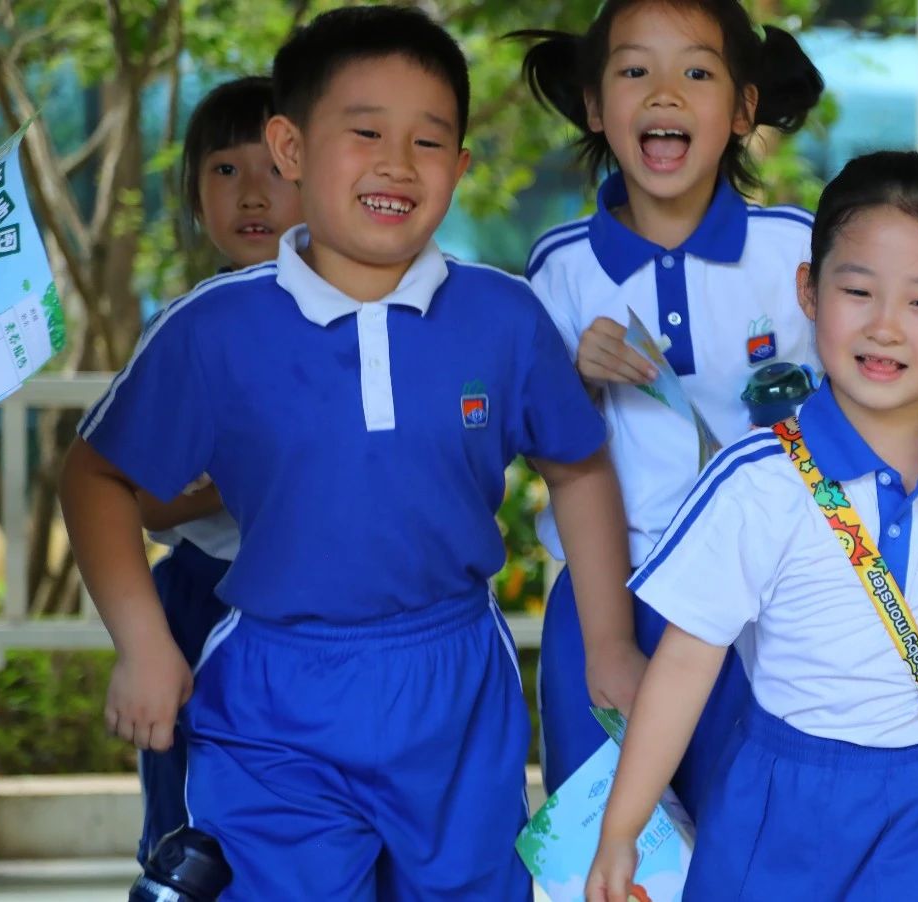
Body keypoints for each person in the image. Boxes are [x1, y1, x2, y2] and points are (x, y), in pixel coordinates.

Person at [59, 6, 634, 898]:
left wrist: (608, 644)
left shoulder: (503, 316)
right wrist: (143, 644)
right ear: (290, 147)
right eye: (365, 132)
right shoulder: (215, 329)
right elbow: (94, 474)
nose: (397, 163)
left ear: (460, 168)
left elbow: (579, 466)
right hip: (274, 698)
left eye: (428, 141)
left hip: (454, 691)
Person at [586, 150, 918, 901]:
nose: (885, 327)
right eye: (858, 290)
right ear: (809, 290)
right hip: (779, 797)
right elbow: (683, 664)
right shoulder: (757, 478)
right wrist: (621, 830)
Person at [514, 0, 824, 814]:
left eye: (696, 71)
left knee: (749, 842)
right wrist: (577, 379)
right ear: (594, 105)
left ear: (743, 108)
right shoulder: (560, 268)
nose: (664, 92)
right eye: (633, 70)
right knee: (607, 848)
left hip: (771, 607)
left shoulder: (800, 251)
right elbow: (535, 445)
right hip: (607, 600)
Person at [133, 74, 302, 869]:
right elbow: (141, 501)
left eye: (274, 169)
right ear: (195, 198)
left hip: (320, 608)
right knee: (192, 826)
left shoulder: (363, 319)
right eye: (225, 171)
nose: (251, 194)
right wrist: (232, 485)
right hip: (202, 595)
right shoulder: (186, 330)